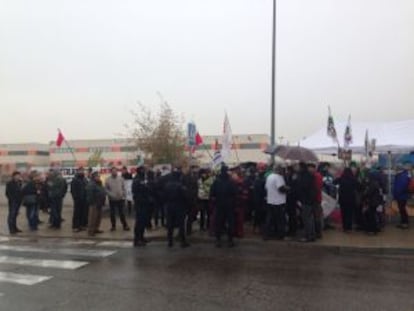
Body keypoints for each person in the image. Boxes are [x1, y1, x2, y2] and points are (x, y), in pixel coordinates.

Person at [210, 165, 237, 248]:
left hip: (219, 205)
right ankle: (230, 240)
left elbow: (212, 194)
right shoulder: (231, 181)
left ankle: (218, 240)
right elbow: (235, 193)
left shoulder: (216, 181)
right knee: (230, 223)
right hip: (229, 205)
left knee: (218, 223)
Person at [165, 169, 189, 248]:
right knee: (181, 224)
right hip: (179, 206)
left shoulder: (167, 185)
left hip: (169, 206)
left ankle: (170, 241)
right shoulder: (180, 186)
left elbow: (163, 196)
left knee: (170, 224)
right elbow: (185, 196)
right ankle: (183, 241)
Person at [264, 166, 288, 240]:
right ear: (279, 170)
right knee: (280, 219)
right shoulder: (279, 177)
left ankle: (266, 235)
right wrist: (288, 188)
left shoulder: (269, 177)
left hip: (270, 200)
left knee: (269, 218)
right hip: (278, 202)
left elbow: (266, 187)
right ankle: (280, 235)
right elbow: (281, 189)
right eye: (282, 170)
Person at [296, 162, 317, 242]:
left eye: (298, 166)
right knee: (310, 218)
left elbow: (303, 187)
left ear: (301, 167)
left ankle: (307, 236)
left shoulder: (304, 176)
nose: (297, 168)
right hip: (309, 200)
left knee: (306, 219)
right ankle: (312, 235)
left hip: (306, 200)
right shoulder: (308, 175)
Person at [105, 167, 130, 231]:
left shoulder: (121, 179)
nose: (114, 172)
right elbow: (106, 189)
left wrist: (123, 194)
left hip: (120, 199)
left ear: (117, 172)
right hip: (112, 199)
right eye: (113, 171)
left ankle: (125, 225)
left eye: (115, 171)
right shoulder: (107, 179)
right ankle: (113, 226)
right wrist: (110, 194)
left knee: (122, 213)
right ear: (111, 172)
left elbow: (124, 187)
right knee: (112, 214)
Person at [132, 167, 152, 247]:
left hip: (144, 203)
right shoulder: (137, 180)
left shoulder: (142, 179)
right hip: (140, 204)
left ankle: (141, 237)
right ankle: (137, 240)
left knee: (143, 222)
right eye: (144, 170)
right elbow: (138, 190)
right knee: (139, 222)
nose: (145, 172)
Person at [334, 167, 359, 233]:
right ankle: (349, 227)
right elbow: (359, 187)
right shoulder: (353, 179)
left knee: (343, 213)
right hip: (351, 199)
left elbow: (334, 182)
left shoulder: (341, 178)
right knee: (350, 214)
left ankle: (345, 227)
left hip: (342, 199)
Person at [86, 172, 106, 236]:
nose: (98, 177)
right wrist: (92, 202)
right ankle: (90, 231)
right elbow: (90, 195)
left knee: (98, 217)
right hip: (94, 203)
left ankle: (96, 228)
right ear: (94, 177)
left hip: (100, 203)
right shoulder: (91, 184)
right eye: (97, 176)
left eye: (99, 176)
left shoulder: (99, 183)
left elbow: (102, 191)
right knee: (92, 218)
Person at [308, 163, 324, 239]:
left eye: (310, 168)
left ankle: (318, 233)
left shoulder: (316, 176)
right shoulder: (316, 175)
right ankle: (317, 232)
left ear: (314, 168)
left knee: (316, 217)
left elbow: (317, 188)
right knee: (315, 217)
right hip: (316, 199)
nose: (309, 170)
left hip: (316, 199)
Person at [393, 164, 411, 229]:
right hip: (402, 195)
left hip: (401, 196)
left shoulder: (402, 176)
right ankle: (404, 222)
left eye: (396, 169)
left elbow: (400, 187)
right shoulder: (403, 175)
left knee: (402, 209)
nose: (395, 170)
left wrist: (396, 195)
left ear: (399, 169)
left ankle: (405, 223)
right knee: (402, 209)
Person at [71, 167, 88, 232]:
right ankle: (75, 226)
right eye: (80, 171)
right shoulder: (75, 180)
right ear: (77, 171)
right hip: (78, 200)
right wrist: (75, 198)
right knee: (77, 213)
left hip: (84, 199)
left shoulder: (84, 179)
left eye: (82, 171)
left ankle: (82, 225)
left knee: (83, 213)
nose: (82, 172)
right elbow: (73, 190)